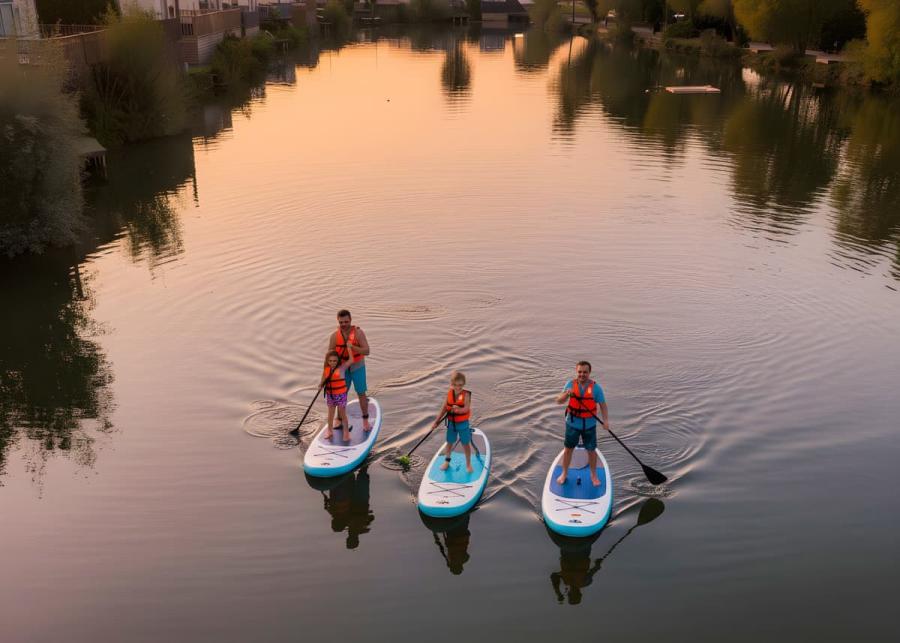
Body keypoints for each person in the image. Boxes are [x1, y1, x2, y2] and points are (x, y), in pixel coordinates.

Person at [555, 360, 609, 487]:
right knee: (568, 449)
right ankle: (564, 473)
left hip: (589, 426)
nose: (582, 374)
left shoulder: (596, 388)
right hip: (572, 424)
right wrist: (567, 393)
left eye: (585, 372)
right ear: (576, 372)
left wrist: (605, 421)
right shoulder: (569, 384)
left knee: (591, 450)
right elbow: (559, 401)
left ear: (589, 373)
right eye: (580, 372)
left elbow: (603, 406)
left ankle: (593, 475)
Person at [328, 309, 372, 430]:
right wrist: (329, 372)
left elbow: (367, 351)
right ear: (338, 321)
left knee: (361, 393)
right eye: (341, 322)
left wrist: (352, 347)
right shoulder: (334, 336)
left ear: (350, 320)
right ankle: (339, 419)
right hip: (343, 369)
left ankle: (365, 421)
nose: (343, 324)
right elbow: (330, 355)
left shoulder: (358, 333)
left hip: (357, 366)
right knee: (340, 394)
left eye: (346, 322)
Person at [431, 371, 473, 473]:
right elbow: (444, 408)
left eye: (460, 385)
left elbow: (466, 409)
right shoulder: (449, 393)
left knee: (465, 444)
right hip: (451, 424)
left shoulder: (466, 395)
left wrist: (459, 409)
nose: (457, 387)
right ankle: (447, 461)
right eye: (455, 385)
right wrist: (436, 421)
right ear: (451, 384)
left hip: (462, 424)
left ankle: (468, 464)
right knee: (449, 443)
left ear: (463, 384)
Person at [321, 350, 350, 441]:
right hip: (330, 395)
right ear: (327, 361)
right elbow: (322, 380)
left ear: (338, 361)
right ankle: (330, 431)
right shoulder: (326, 370)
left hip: (341, 395)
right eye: (330, 361)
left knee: (342, 414)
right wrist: (320, 385)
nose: (332, 363)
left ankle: (346, 432)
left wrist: (349, 348)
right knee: (330, 414)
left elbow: (351, 360)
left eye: (334, 361)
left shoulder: (341, 369)